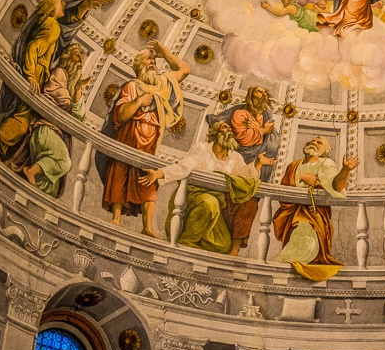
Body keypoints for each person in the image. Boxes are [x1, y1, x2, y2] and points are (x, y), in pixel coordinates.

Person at [0, 0, 101, 160]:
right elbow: (34, 48)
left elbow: (63, 26)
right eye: (61, 2)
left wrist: (82, 8)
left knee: (21, 114)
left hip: (36, 72)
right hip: (36, 74)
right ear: (52, 6)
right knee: (23, 118)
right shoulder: (53, 27)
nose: (64, 5)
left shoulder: (48, 22)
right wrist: (31, 76)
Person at [97, 40, 190, 238]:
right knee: (121, 172)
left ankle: (147, 226)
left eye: (154, 60)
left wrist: (164, 52)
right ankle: (116, 217)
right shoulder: (132, 86)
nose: (153, 63)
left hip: (151, 140)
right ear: (139, 65)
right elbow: (121, 115)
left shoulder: (163, 84)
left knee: (149, 179)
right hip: (129, 135)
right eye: (148, 59)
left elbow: (184, 69)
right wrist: (140, 100)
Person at [139, 122, 273, 255]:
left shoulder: (235, 157)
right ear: (215, 133)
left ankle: (196, 246)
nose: (230, 131)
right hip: (192, 198)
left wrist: (258, 163)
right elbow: (183, 167)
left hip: (215, 207)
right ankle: (186, 242)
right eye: (225, 127)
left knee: (223, 245)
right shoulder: (202, 148)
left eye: (231, 129)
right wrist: (158, 173)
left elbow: (244, 175)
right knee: (210, 202)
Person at [273, 137, 359, 281]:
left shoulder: (325, 163)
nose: (313, 142)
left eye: (319, 143)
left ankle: (279, 264)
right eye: (311, 141)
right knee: (301, 240)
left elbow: (335, 186)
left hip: (313, 214)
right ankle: (281, 264)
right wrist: (301, 176)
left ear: (325, 151)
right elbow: (283, 191)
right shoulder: (293, 166)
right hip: (292, 213)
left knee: (308, 242)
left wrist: (345, 170)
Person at [20, 44, 91, 197]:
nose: (80, 61)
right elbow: (61, 99)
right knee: (63, 161)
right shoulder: (59, 73)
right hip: (46, 130)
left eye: (81, 58)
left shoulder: (70, 84)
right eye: (77, 55)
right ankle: (30, 170)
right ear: (67, 57)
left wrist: (77, 89)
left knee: (49, 185)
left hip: (55, 135)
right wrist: (72, 94)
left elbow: (79, 117)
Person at [204, 85, 280, 182]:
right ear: (251, 97)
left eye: (265, 92)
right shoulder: (240, 114)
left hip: (261, 160)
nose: (264, 94)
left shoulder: (267, 115)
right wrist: (263, 130)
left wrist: (258, 129)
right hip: (244, 157)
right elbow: (244, 138)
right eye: (259, 91)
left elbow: (273, 136)